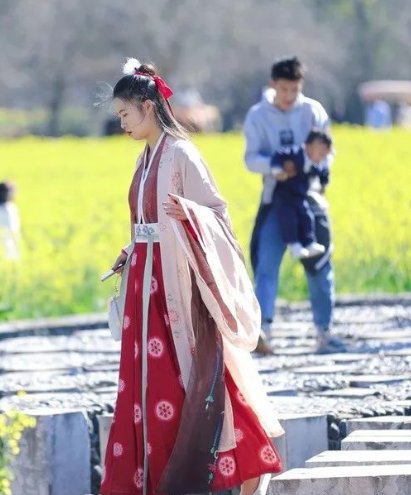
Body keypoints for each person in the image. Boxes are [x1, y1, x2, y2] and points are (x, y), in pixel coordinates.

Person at [100, 59, 283, 495]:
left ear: (148, 107)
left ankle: (247, 464)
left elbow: (217, 214)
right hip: (146, 286)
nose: (122, 124)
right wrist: (131, 250)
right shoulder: (145, 157)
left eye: (125, 114)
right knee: (150, 385)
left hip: (176, 288)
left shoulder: (182, 153)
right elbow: (148, 222)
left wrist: (192, 215)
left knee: (195, 376)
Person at [243, 56, 344, 355]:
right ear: (273, 84)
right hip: (275, 198)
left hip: (310, 198)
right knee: (266, 265)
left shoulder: (313, 111)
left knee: (319, 264)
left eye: (295, 90)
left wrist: (312, 168)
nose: (289, 96)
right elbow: (251, 159)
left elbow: (328, 151)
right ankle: (263, 332)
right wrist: (276, 167)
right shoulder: (257, 116)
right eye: (284, 89)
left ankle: (325, 331)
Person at [269, 129, 332, 259]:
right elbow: (278, 155)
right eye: (320, 154)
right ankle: (294, 245)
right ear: (308, 146)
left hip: (299, 196)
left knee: (307, 217)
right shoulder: (295, 153)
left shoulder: (315, 164)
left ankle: (309, 243)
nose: (321, 158)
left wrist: (323, 183)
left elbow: (323, 172)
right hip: (284, 195)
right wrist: (277, 170)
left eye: (324, 156)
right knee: (289, 218)